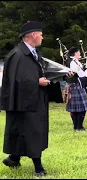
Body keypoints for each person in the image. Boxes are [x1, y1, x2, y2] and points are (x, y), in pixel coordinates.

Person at [1, 21, 73, 177]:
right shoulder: (17, 55)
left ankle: (13, 158)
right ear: (33, 35)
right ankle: (38, 168)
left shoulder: (34, 54)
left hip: (35, 99)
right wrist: (37, 82)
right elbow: (15, 80)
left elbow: (44, 72)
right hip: (23, 101)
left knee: (28, 132)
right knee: (32, 132)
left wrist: (62, 74)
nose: (42, 37)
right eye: (41, 34)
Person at [65, 47, 87, 131]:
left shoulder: (73, 61)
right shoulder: (72, 62)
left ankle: (77, 126)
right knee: (80, 107)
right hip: (76, 85)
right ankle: (78, 126)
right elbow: (79, 73)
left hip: (75, 85)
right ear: (75, 53)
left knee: (75, 108)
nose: (80, 54)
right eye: (79, 52)